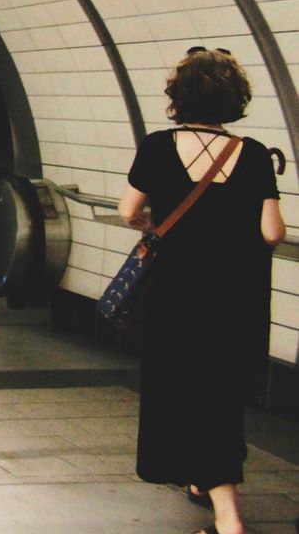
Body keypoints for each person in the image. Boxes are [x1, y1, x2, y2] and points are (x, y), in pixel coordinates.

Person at [118, 47, 285, 534]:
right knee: (220, 392)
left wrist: (161, 226)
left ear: (179, 97)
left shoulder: (155, 146)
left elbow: (129, 212)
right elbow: (272, 232)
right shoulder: (252, 153)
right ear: (234, 98)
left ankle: (228, 516)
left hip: (175, 294)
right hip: (237, 297)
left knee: (183, 387)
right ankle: (202, 479)